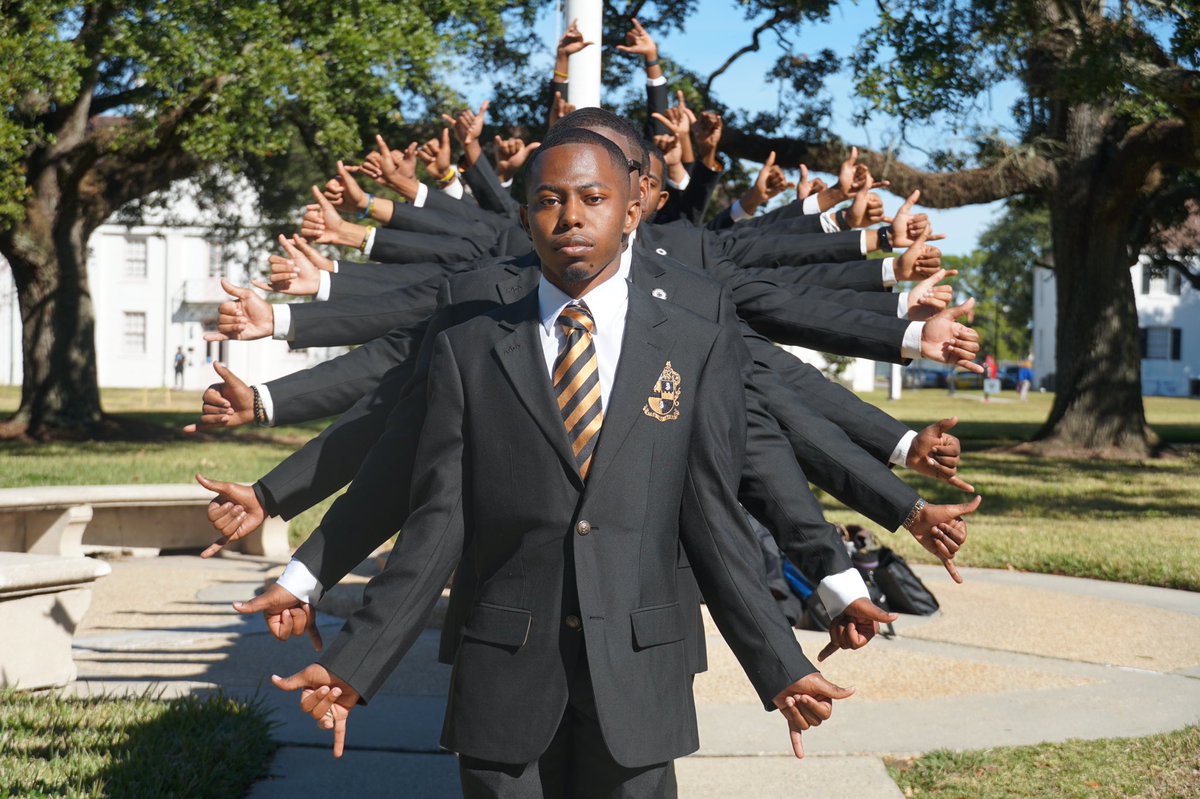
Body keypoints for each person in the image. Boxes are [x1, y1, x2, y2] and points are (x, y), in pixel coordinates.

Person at [271, 130, 854, 798]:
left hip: (638, 681)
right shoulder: (470, 344)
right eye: (548, 199)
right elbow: (437, 524)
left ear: (632, 210)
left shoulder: (695, 335)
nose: (570, 216)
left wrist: (779, 663)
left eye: (593, 197)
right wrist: (355, 663)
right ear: (524, 217)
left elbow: (714, 519)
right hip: (503, 680)